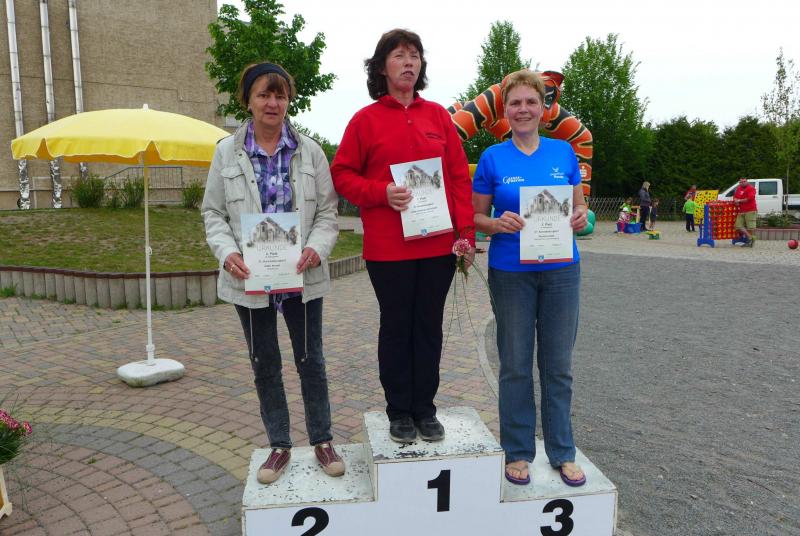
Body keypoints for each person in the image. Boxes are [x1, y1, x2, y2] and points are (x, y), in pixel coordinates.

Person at [202, 62, 344, 484]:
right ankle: (279, 446)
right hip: (249, 279)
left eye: (280, 95)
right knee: (264, 363)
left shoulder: (310, 151)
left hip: (302, 277)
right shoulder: (226, 152)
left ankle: (322, 440)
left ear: (288, 101)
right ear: (247, 100)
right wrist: (227, 253)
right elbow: (213, 213)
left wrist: (317, 248)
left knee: (311, 361)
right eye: (263, 94)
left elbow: (328, 212)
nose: (272, 103)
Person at [331, 29, 475, 444]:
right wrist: (381, 192)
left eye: (415, 55)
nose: (409, 62)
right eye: (399, 55)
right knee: (396, 327)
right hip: (388, 249)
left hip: (438, 246)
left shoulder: (439, 117)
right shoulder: (365, 120)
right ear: (381, 67)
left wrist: (465, 234)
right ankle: (398, 411)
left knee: (428, 326)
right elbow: (342, 174)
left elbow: (457, 179)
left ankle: (425, 409)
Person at [472, 69, 589, 488]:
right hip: (511, 273)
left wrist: (581, 217)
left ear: (544, 109)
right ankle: (518, 450)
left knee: (558, 366)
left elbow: (582, 211)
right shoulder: (492, 158)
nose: (523, 109)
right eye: (515, 103)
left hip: (561, 271)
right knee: (515, 366)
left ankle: (562, 451)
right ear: (505, 111)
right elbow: (476, 217)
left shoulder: (564, 153)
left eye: (531, 102)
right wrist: (494, 223)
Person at [733, 177, 757, 246]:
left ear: (747, 182)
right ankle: (750, 238)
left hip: (750, 210)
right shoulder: (738, 189)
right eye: (741, 182)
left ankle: (751, 241)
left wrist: (739, 200)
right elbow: (735, 197)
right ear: (739, 183)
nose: (743, 183)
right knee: (738, 226)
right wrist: (735, 201)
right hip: (741, 210)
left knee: (751, 227)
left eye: (744, 181)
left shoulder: (751, 188)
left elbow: (750, 198)